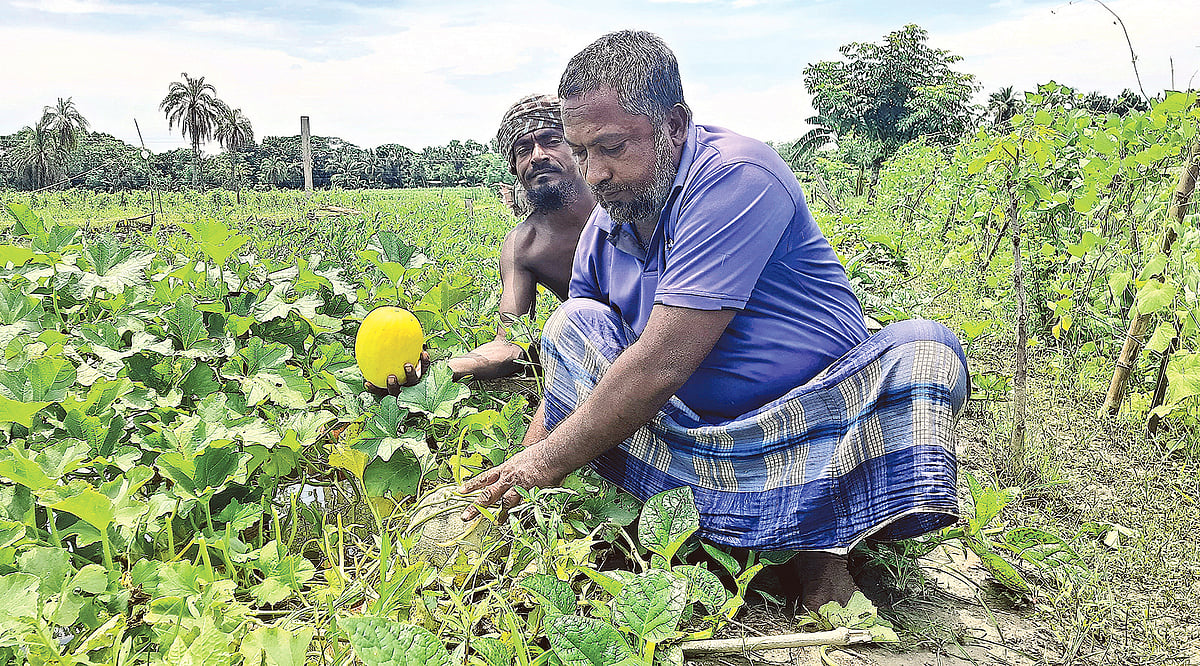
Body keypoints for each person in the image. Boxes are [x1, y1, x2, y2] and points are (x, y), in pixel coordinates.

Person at [461, 31, 969, 610]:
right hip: (690, 432)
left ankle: (824, 555)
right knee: (573, 324)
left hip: (815, 429)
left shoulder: (735, 177)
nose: (594, 172)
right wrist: (517, 489)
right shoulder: (602, 229)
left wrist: (540, 465)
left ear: (674, 124)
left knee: (923, 350)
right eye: (583, 153)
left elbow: (661, 364)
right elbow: (566, 376)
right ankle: (699, 527)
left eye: (611, 147)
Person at [446, 93, 597, 381]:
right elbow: (511, 342)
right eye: (524, 149)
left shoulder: (620, 205)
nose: (538, 156)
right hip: (599, 349)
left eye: (552, 140)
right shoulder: (523, 246)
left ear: (579, 147)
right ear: (514, 167)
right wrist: (444, 370)